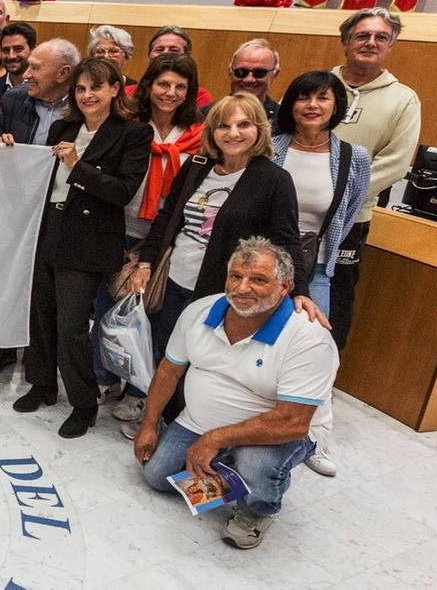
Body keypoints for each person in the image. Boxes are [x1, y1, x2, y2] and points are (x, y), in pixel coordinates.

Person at [120, 94, 313, 429]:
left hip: (220, 292)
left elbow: (286, 240)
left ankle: (187, 425)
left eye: (243, 124)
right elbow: (167, 220)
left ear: (259, 130)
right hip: (173, 280)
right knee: (167, 352)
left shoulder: (274, 180)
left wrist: (301, 290)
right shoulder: (196, 167)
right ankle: (157, 419)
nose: (233, 133)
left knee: (201, 361)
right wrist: (146, 264)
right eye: (224, 125)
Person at [134, 239, 337, 550]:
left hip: (281, 431)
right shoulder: (200, 311)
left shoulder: (308, 337)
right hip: (199, 422)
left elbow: (293, 423)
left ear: (285, 286)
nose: (243, 288)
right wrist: (148, 425)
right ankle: (228, 462)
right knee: (157, 476)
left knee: (257, 464)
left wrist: (214, 440)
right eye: (236, 276)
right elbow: (168, 371)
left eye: (258, 279)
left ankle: (258, 510)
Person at [11, 58, 150, 438]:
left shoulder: (133, 134)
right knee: (40, 313)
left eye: (96, 88)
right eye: (81, 89)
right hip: (50, 227)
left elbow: (122, 191)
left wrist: (77, 166)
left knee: (71, 325)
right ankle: (42, 384)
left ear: (115, 90)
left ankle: (83, 402)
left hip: (89, 239)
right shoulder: (63, 125)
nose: (88, 95)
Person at [271, 71, 371, 479]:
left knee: (317, 351)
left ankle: (315, 436)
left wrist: (320, 253)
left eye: (322, 98)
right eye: (303, 97)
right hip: (264, 263)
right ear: (291, 104)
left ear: (336, 106)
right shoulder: (272, 146)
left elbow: (349, 212)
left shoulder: (353, 156)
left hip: (316, 267)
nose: (312, 105)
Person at [101, 54, 204, 420]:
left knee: (149, 318)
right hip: (118, 227)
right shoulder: (129, 124)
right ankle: (107, 376)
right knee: (108, 308)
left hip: (162, 238)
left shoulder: (198, 135)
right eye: (163, 84)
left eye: (180, 87)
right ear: (148, 86)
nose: (170, 93)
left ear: (190, 92)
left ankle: (137, 390)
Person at [328, 7, 420, 351]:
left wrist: (338, 194)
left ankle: (321, 381)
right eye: (362, 35)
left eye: (381, 37)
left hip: (351, 217)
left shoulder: (403, 100)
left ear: (391, 46)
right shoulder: (318, 86)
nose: (371, 42)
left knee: (335, 297)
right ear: (346, 42)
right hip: (299, 208)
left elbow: (394, 164)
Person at [0, 39, 78, 147]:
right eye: (29, 66)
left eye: (35, 68)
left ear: (63, 73)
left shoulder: (83, 107)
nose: (26, 75)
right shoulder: (12, 100)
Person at [206, 39, 281, 122]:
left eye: (259, 73)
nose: (249, 79)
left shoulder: (284, 120)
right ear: (230, 72)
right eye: (241, 72)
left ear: (274, 75)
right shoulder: (206, 116)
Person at [147, 26, 213, 106]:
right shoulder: (130, 91)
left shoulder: (200, 96)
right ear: (149, 54)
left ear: (186, 56)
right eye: (159, 50)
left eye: (173, 50)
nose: (165, 54)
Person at [87, 24, 136, 91]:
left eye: (113, 51)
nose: (106, 56)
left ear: (126, 57)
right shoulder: (83, 85)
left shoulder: (136, 89)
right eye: (100, 51)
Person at [0, 21, 37, 89]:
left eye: (18, 49)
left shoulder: (44, 90)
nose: (11, 56)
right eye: (6, 50)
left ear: (33, 50)